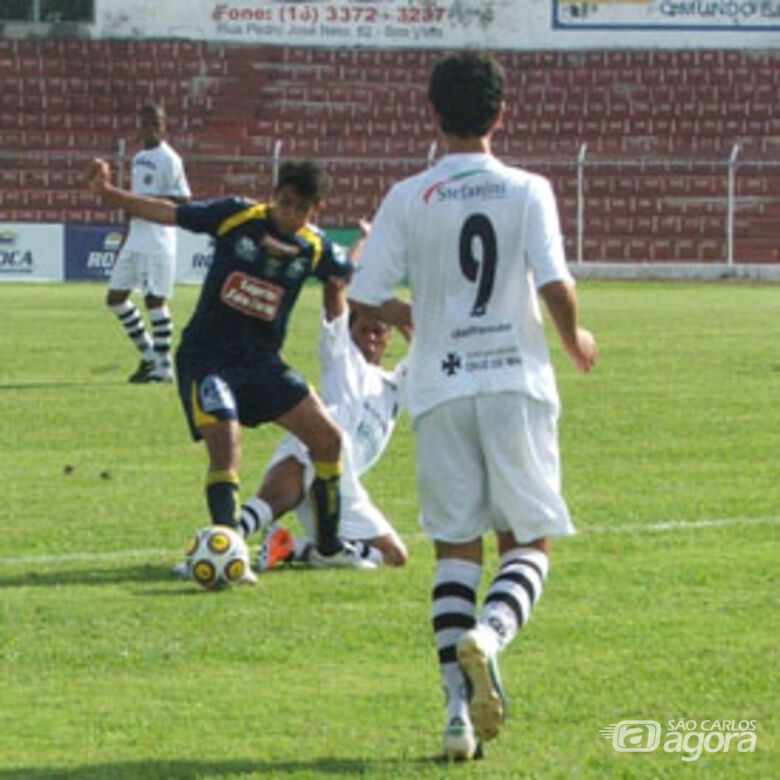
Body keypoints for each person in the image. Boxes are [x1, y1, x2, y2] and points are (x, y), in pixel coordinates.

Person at [347, 51, 598, 760]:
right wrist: (574, 335)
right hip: (514, 382)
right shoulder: (527, 189)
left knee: (454, 550)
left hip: (439, 385)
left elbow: (364, 296)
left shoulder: (407, 196)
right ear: (501, 113)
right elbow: (552, 280)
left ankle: (457, 721)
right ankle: (488, 636)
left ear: (434, 113)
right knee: (529, 542)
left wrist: (402, 314)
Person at [86, 157, 371, 569]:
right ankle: (228, 551)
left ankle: (327, 550)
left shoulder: (315, 248)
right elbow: (171, 212)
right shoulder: (237, 216)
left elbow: (349, 273)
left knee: (328, 440)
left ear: (316, 210)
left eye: (300, 209)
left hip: (261, 365)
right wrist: (110, 195)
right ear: (274, 195)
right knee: (226, 447)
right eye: (285, 203)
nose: (289, 215)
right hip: (208, 359)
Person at [236, 221, 410, 571]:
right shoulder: (340, 354)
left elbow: (426, 339)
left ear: (389, 339)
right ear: (351, 330)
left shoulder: (397, 386)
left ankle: (295, 548)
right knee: (304, 451)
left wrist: (395, 309)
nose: (372, 339)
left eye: (379, 332)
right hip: (314, 452)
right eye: (364, 330)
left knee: (395, 557)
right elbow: (336, 290)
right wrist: (364, 243)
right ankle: (227, 539)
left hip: (344, 489)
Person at [106, 103, 191, 384]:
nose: (150, 126)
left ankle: (164, 368)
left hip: (158, 238)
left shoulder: (170, 159)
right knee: (115, 299)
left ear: (164, 126)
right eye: (145, 121)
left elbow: (183, 201)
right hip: (136, 236)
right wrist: (126, 233)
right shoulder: (140, 157)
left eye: (155, 122)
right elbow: (133, 202)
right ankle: (148, 357)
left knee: (154, 300)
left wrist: (149, 205)